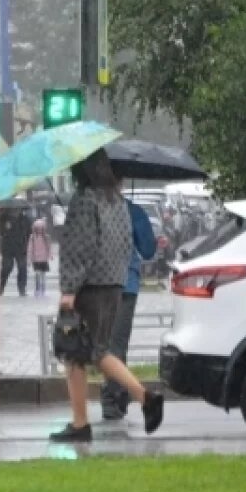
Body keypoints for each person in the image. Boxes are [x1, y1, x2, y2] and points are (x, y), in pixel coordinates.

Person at [53, 150, 164, 443]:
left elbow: (81, 249)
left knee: (73, 350)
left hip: (88, 287)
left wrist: (69, 291)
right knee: (99, 351)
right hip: (115, 285)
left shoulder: (85, 200)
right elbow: (126, 246)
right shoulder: (116, 202)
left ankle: (80, 424)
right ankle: (146, 397)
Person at [101, 190, 158, 421]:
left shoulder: (90, 212)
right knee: (117, 344)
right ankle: (113, 398)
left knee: (104, 345)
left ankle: (117, 395)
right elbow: (149, 250)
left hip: (98, 287)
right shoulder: (133, 212)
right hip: (125, 286)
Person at [0, 207, 32, 296]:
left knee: (22, 268)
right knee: (7, 267)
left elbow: (29, 232)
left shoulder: (25, 219)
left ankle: (22, 289)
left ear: (21, 209)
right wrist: (5, 228)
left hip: (21, 247)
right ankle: (1, 286)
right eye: (14, 209)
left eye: (18, 209)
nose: (15, 211)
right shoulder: (2, 218)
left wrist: (25, 243)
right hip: (8, 247)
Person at [27, 218, 53, 298]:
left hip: (44, 260)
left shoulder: (46, 237)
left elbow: (49, 247)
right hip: (36, 260)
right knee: (37, 275)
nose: (39, 230)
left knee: (43, 276)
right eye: (37, 228)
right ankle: (37, 290)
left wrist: (50, 255)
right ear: (34, 229)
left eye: (41, 228)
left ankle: (43, 290)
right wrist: (29, 259)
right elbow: (30, 248)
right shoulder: (32, 238)